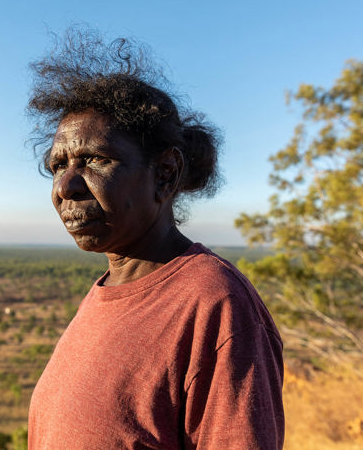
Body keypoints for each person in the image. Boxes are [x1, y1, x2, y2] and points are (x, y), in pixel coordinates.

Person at [26, 29, 284, 450]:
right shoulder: (106, 293)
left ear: (164, 173)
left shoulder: (213, 304)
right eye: (58, 165)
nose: (65, 186)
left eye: (96, 159)